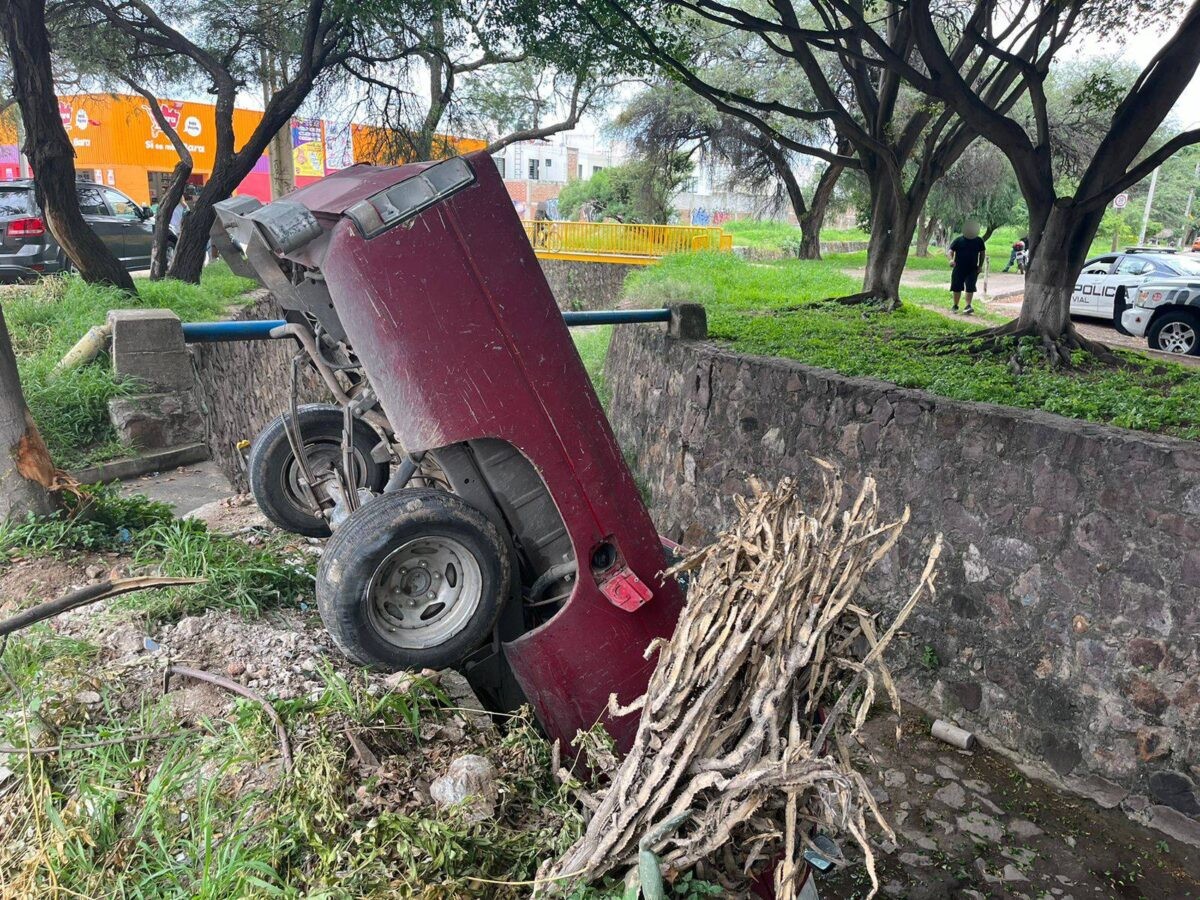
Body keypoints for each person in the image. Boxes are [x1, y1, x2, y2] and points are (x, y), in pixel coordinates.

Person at [948, 221, 987, 314]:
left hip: (972, 268)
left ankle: (968, 306)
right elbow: (950, 251)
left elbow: (982, 253)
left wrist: (980, 266)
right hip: (959, 268)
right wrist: (951, 260)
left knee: (970, 286)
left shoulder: (979, 241)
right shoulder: (958, 240)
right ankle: (955, 306)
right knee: (956, 287)